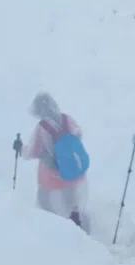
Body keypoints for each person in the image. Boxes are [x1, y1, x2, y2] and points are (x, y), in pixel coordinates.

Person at [20, 92, 89, 230]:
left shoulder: (43, 128)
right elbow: (79, 135)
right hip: (74, 170)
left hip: (53, 175)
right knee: (73, 203)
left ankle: (48, 233)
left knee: (43, 201)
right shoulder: (67, 119)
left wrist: (20, 148)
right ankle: (80, 229)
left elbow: (33, 151)